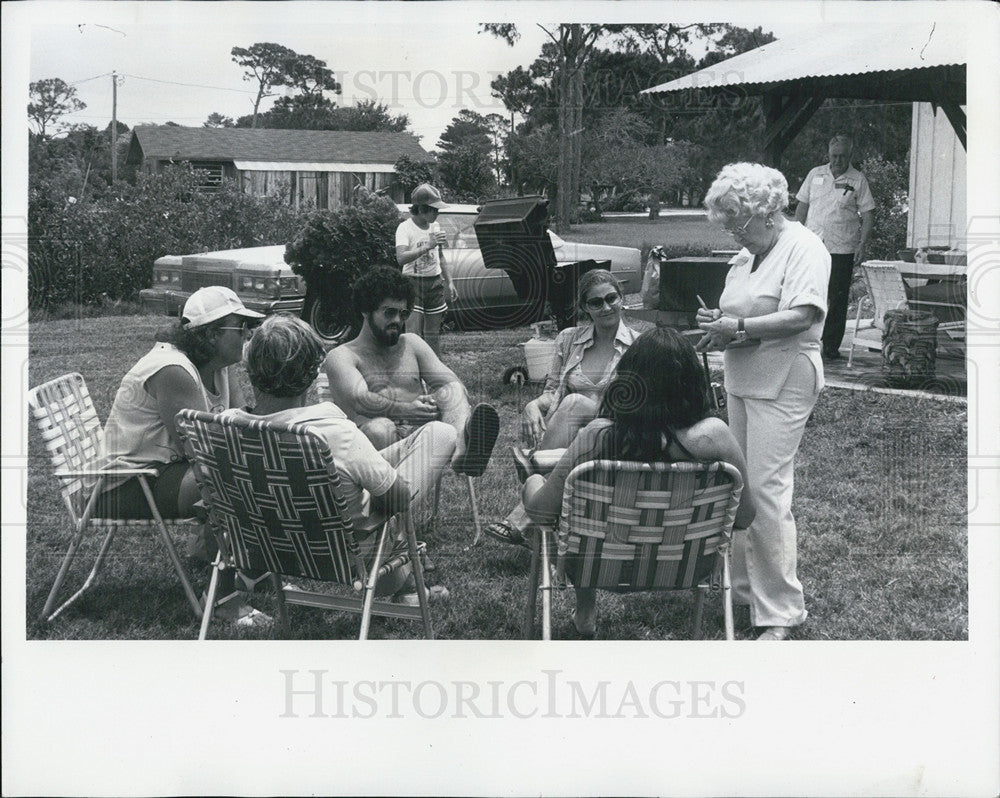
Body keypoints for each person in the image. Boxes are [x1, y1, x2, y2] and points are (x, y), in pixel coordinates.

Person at [522, 327, 755, 638]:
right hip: (686, 568)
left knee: (562, 504)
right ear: (692, 382)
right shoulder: (715, 437)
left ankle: (585, 609)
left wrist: (532, 481)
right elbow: (745, 517)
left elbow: (540, 514)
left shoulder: (599, 436)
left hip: (594, 567)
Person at [222, 314, 448, 605]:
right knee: (440, 435)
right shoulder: (331, 432)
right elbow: (399, 500)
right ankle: (406, 589)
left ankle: (407, 591)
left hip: (265, 546)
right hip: (346, 552)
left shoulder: (224, 427)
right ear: (309, 374)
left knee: (365, 470)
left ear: (250, 369)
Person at [697, 161, 831, 641]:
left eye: (738, 221)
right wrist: (719, 322)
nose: (734, 232)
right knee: (737, 483)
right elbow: (743, 310)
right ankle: (742, 594)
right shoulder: (747, 253)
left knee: (768, 492)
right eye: (727, 222)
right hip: (742, 374)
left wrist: (739, 328)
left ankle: (780, 612)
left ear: (767, 212)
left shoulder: (805, 247)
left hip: (786, 376)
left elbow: (802, 314)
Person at [324, 266, 499, 528]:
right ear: (366, 310)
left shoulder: (412, 344)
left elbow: (451, 382)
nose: (397, 320)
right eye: (389, 312)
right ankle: (393, 531)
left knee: (452, 391)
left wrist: (440, 400)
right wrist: (407, 409)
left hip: (426, 437)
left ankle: (463, 454)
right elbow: (360, 400)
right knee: (380, 426)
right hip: (376, 454)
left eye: (403, 313)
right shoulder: (343, 356)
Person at [484, 269, 640, 546]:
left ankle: (530, 486)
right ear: (585, 308)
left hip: (612, 431)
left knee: (577, 402)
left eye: (611, 298)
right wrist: (532, 405)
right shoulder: (569, 339)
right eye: (596, 302)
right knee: (572, 403)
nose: (605, 307)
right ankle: (536, 499)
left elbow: (640, 405)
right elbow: (552, 392)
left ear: (621, 298)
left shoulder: (639, 346)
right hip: (572, 433)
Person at [97, 286, 260, 520]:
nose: (248, 334)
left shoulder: (221, 365)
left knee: (249, 471)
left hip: (165, 471)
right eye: (242, 327)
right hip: (126, 485)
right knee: (245, 477)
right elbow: (201, 450)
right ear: (212, 334)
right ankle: (220, 554)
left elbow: (241, 421)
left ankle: (215, 554)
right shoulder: (172, 370)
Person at [794, 134, 875, 359]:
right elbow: (802, 207)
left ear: (850, 156)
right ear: (828, 154)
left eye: (842, 156)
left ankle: (830, 347)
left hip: (842, 247)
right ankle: (804, 341)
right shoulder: (815, 174)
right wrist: (794, 236)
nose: (838, 160)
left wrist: (862, 244)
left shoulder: (858, 180)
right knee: (807, 293)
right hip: (813, 245)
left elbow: (868, 214)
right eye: (834, 156)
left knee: (837, 299)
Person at [395, 183, 458, 355]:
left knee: (433, 335)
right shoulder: (405, 228)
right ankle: (412, 374)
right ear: (422, 209)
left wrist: (450, 282)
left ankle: (434, 375)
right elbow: (401, 258)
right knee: (413, 335)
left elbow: (441, 256)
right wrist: (428, 245)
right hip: (413, 282)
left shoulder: (435, 226)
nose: (437, 213)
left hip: (434, 283)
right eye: (434, 210)